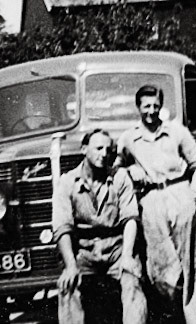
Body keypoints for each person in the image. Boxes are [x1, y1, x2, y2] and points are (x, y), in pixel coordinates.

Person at [118, 85, 196, 324]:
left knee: (193, 263)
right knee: (159, 267)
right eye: (146, 106)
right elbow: (117, 169)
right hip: (151, 202)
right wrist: (131, 172)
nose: (151, 111)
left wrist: (191, 194)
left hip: (180, 194)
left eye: (155, 106)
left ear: (161, 106)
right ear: (138, 107)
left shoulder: (177, 132)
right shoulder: (129, 139)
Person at [52, 128, 147, 324]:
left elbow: (130, 219)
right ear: (84, 149)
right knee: (68, 285)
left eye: (108, 150)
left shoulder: (120, 178)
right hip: (84, 251)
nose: (104, 154)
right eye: (98, 148)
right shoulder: (67, 182)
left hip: (116, 248)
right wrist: (70, 266)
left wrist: (128, 256)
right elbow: (62, 227)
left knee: (133, 280)